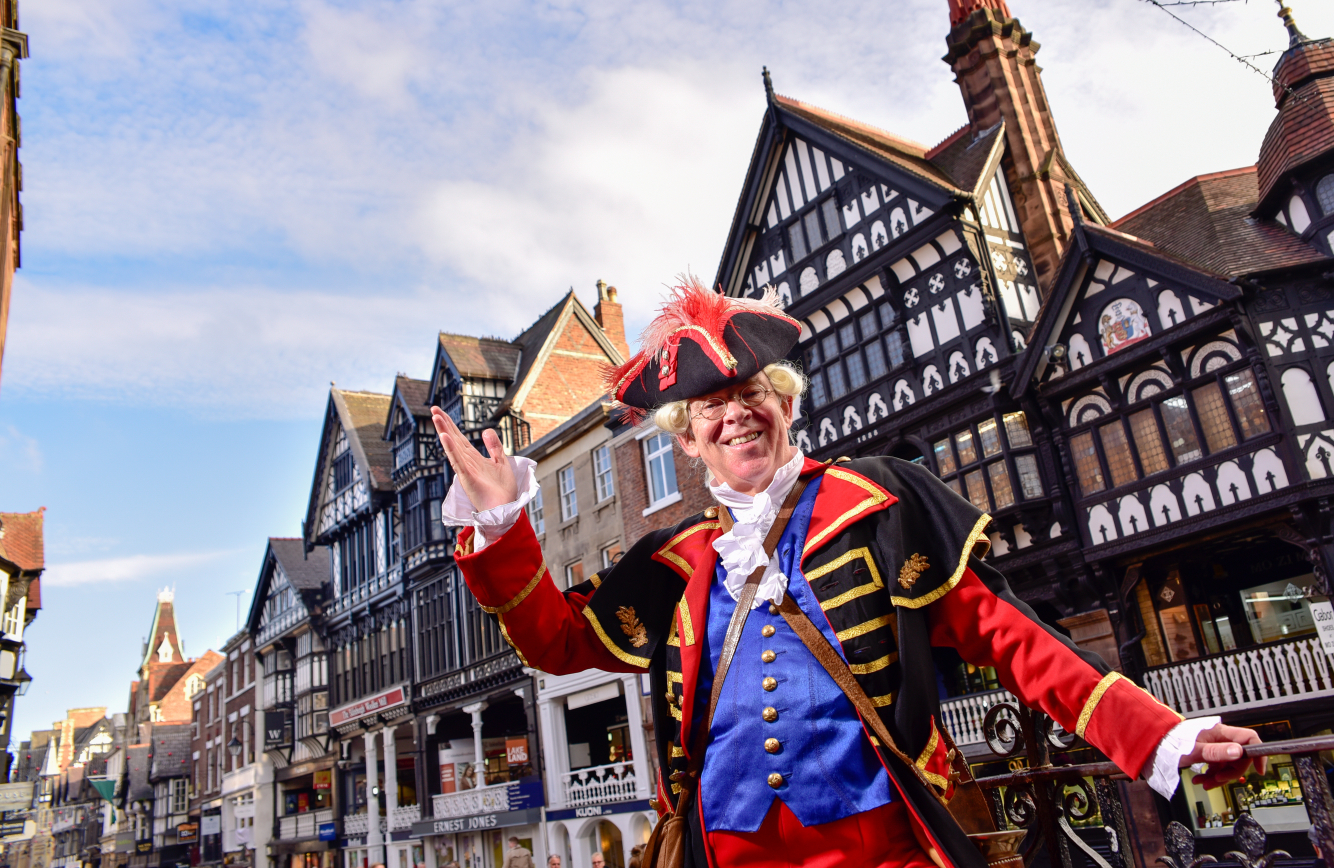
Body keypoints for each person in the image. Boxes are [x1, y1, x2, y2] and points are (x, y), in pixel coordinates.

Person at [438, 280, 1266, 868]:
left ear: (787, 402)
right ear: (686, 443)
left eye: (751, 389)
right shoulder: (681, 558)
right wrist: (504, 525)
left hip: (883, 844)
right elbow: (555, 640)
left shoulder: (878, 502)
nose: (735, 412)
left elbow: (1014, 639)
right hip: (723, 850)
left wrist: (1157, 734)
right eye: (708, 408)